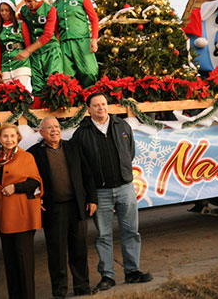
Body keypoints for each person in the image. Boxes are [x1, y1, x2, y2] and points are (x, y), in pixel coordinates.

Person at [71, 92, 153, 291]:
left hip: (125, 187)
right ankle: (107, 276)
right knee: (103, 236)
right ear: (88, 109)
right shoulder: (81, 133)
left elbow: (129, 152)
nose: (101, 108)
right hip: (101, 192)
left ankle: (132, 272)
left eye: (104, 104)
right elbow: (80, 166)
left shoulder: (122, 126)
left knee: (131, 231)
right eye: (96, 105)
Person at [28, 116, 98, 299]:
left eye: (56, 127)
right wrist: (36, 199)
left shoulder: (72, 147)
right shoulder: (34, 153)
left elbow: (87, 174)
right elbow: (29, 181)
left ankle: (82, 286)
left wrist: (92, 199)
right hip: (53, 209)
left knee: (80, 249)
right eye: (49, 128)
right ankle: (59, 291)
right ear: (41, 132)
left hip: (76, 207)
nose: (54, 130)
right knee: (57, 252)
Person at [0, 123, 43, 299]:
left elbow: (36, 182)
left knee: (24, 262)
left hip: (22, 215)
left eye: (12, 136)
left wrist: (16, 187)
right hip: (4, 215)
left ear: (18, 138)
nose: (9, 140)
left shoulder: (26, 157)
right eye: (5, 136)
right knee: (10, 261)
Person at [17, 0, 63, 105]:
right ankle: (38, 113)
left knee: (54, 81)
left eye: (30, 1)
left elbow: (48, 34)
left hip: (50, 50)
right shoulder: (24, 11)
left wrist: (28, 50)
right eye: (25, 0)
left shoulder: (50, 10)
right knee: (37, 83)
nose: (27, 4)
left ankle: (57, 111)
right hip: (36, 53)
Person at [52, 0, 99, 88]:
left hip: (82, 41)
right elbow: (56, 29)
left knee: (90, 71)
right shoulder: (55, 4)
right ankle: (73, 101)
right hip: (64, 44)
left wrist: (94, 39)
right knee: (67, 76)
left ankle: (90, 98)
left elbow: (93, 18)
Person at [0, 0, 32, 92]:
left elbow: (28, 46)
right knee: (9, 95)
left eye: (7, 10)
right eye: (2, 10)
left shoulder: (21, 24)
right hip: (6, 65)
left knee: (20, 93)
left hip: (21, 65)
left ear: (12, 11)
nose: (4, 13)